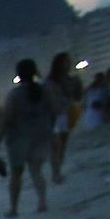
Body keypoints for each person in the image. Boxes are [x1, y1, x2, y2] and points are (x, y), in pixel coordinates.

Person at [0, 58, 59, 217]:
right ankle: (42, 202)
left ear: (18, 75)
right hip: (41, 135)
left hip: (19, 139)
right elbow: (53, 113)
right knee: (36, 171)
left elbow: (7, 120)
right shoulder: (44, 91)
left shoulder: (15, 95)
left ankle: (14, 209)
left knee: (17, 174)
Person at [46, 51, 83, 183]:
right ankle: (55, 173)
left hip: (65, 114)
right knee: (56, 146)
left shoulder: (71, 80)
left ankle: (57, 171)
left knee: (62, 145)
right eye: (66, 62)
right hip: (52, 116)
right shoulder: (50, 81)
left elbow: (78, 96)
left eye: (69, 61)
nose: (69, 64)